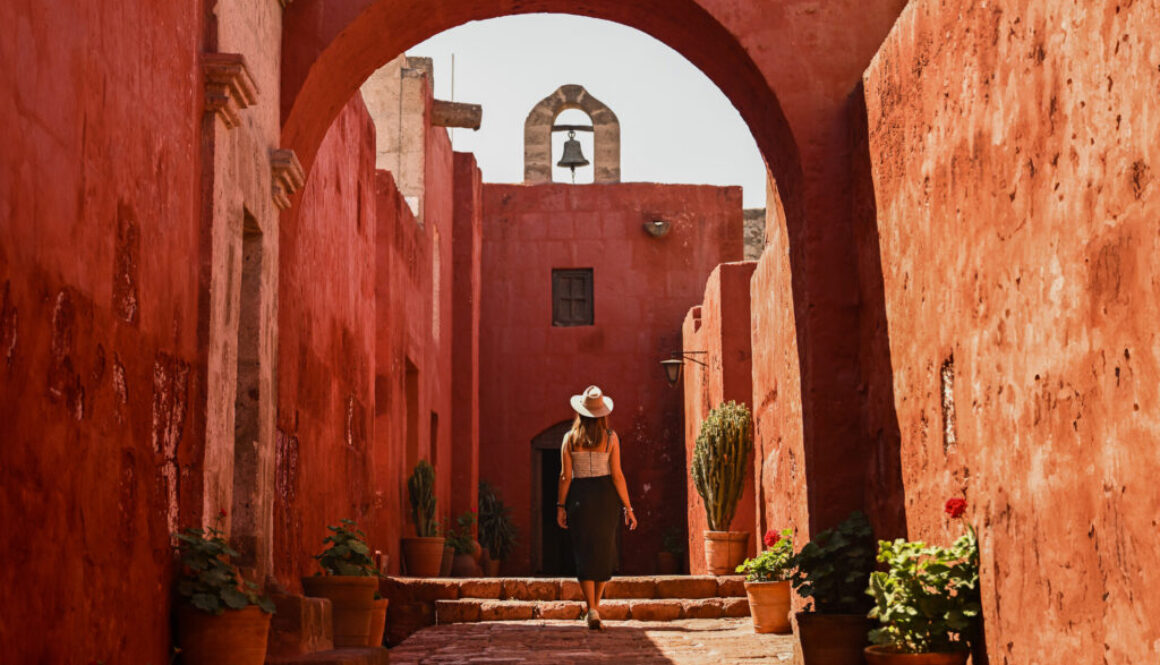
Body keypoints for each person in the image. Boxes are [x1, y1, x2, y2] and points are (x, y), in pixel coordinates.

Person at [556, 385, 638, 630]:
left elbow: (565, 476)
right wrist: (628, 507)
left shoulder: (569, 439)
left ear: (581, 412)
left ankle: (591, 607)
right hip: (605, 498)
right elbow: (617, 475)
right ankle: (596, 608)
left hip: (580, 496)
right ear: (602, 413)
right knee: (604, 551)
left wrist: (561, 506)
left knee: (584, 551)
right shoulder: (611, 438)